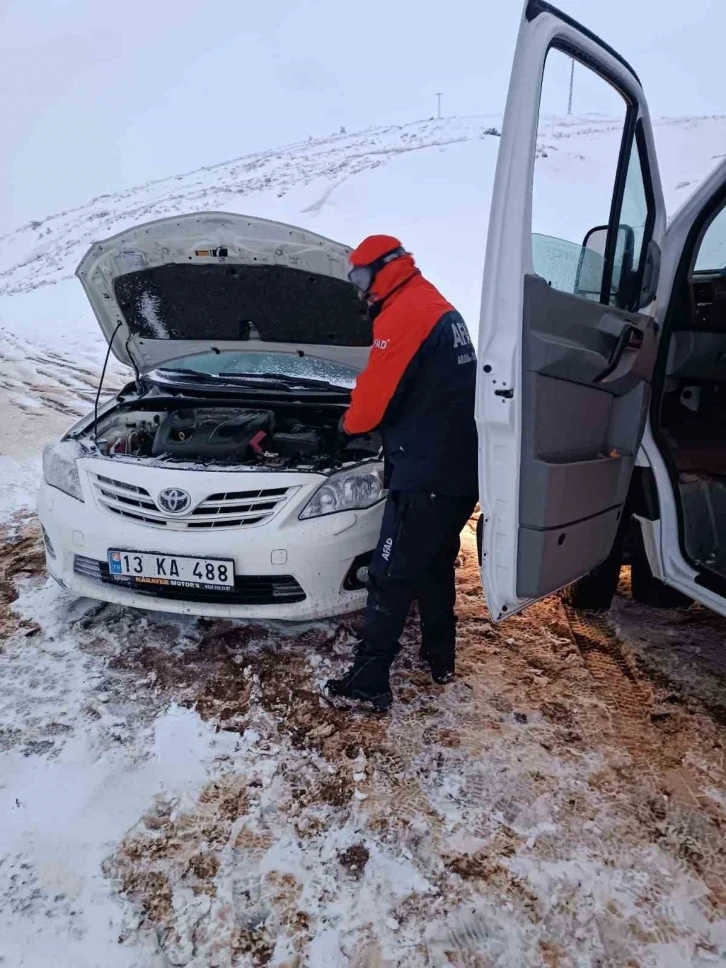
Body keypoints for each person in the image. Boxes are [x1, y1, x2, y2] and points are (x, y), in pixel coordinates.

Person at [325, 235, 479, 713]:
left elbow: (370, 402)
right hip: (457, 469)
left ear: (381, 270)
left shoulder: (404, 312)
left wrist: (343, 427)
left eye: (358, 277)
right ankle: (440, 657)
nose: (357, 289)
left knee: (389, 576)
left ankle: (369, 681)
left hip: (427, 474)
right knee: (433, 564)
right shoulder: (434, 301)